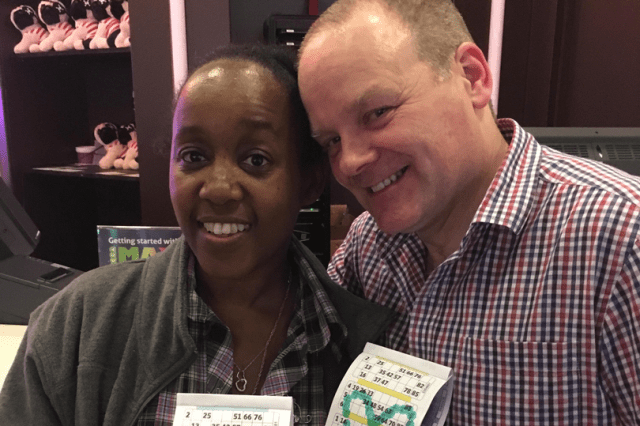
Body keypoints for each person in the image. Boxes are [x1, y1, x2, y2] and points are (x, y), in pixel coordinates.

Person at [0, 44, 394, 426]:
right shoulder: (76, 327)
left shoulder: (355, 340)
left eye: (256, 159)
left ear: (309, 182)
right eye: (194, 156)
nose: (218, 188)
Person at [297, 0, 640, 424]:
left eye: (377, 113)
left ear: (472, 77)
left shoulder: (621, 241)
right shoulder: (367, 248)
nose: (350, 162)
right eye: (331, 141)